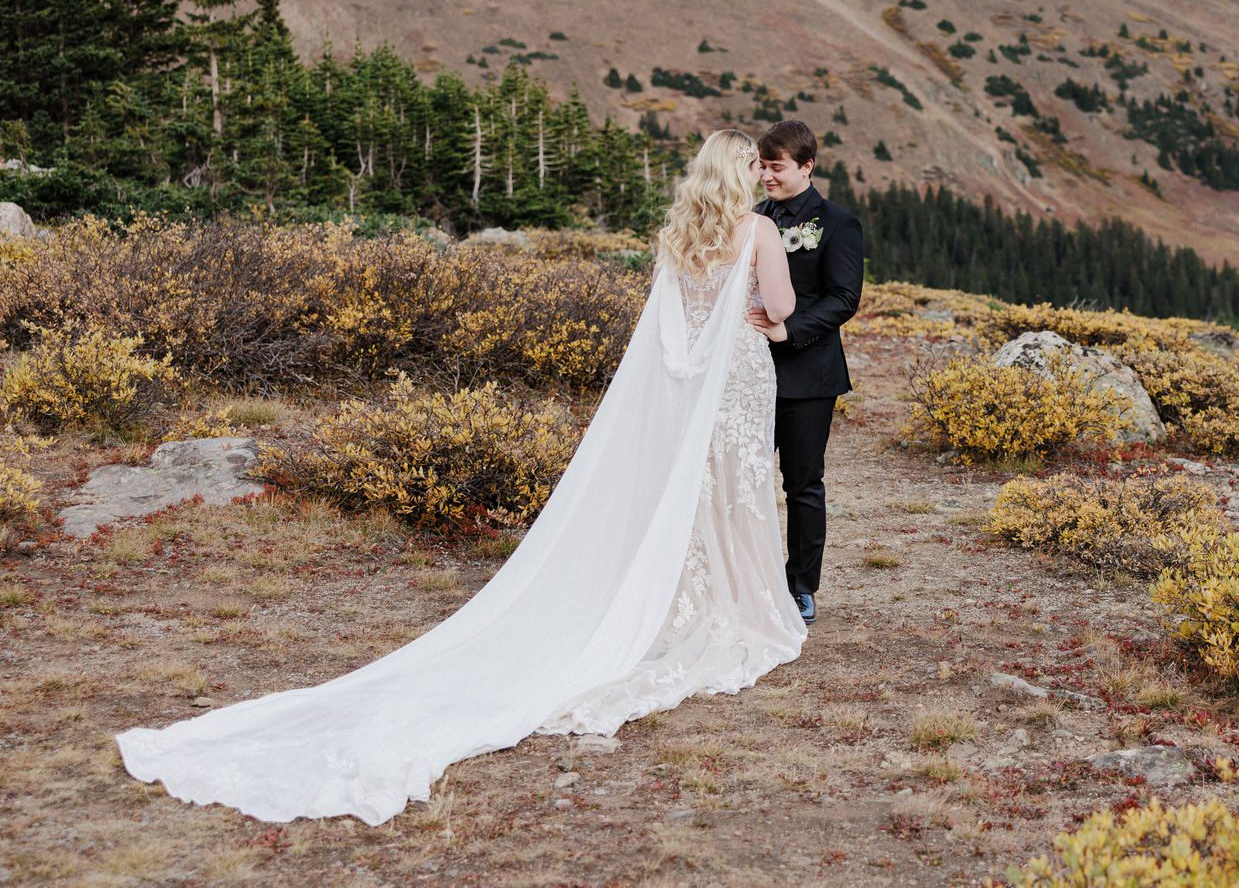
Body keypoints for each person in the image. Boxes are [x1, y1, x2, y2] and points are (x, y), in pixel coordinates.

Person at [114, 129, 809, 825]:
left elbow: (667, 321)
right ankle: (735, 602)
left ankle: (682, 593)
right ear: (740, 173)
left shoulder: (679, 234)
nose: (760, 173)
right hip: (739, 379)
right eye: (754, 163)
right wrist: (777, 331)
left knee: (684, 491)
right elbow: (778, 308)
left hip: (688, 387)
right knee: (735, 490)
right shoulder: (759, 234)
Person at [747, 120, 865, 627]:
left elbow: (844, 298)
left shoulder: (838, 224)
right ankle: (749, 578)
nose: (767, 177)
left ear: (807, 166)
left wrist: (787, 331)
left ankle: (800, 587)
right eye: (764, 167)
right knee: (746, 477)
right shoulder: (752, 218)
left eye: (777, 168)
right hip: (749, 371)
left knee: (802, 484)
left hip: (809, 374)